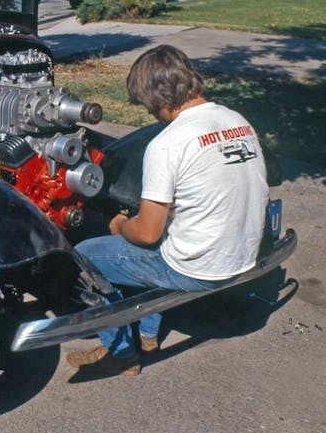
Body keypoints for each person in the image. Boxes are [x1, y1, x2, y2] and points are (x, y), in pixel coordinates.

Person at [67, 44, 268, 377]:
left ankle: (121, 353)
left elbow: (146, 234)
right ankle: (147, 334)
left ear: (156, 98)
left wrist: (121, 226)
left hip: (201, 267)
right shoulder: (237, 121)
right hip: (242, 254)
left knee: (85, 254)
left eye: (146, 105)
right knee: (137, 253)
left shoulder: (167, 143)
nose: (149, 113)